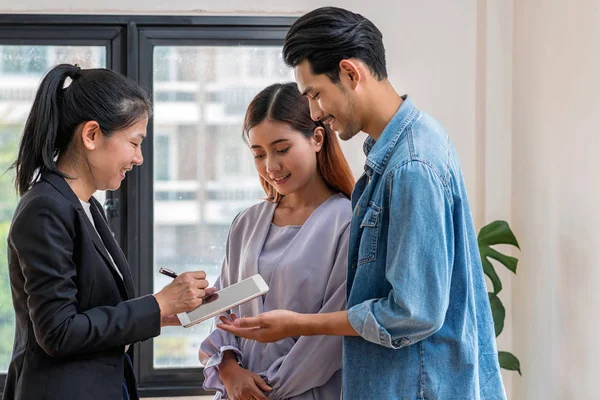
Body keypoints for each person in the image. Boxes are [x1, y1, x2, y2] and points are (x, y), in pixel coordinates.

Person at [217, 7, 507, 400]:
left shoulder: (411, 166)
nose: (316, 112)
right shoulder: (396, 155)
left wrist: (300, 323)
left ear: (351, 73)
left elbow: (413, 312)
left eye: (316, 94)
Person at [4, 64, 215, 400]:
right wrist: (156, 304)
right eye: (134, 142)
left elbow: (94, 314)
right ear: (91, 135)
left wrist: (163, 313)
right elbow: (58, 332)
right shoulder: (46, 208)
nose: (139, 158)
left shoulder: (88, 207)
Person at [199, 82, 354, 400]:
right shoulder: (247, 222)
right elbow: (225, 316)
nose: (270, 166)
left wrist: (263, 391)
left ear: (317, 138)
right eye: (259, 154)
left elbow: (331, 340)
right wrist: (229, 372)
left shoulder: (347, 221)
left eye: (282, 149)